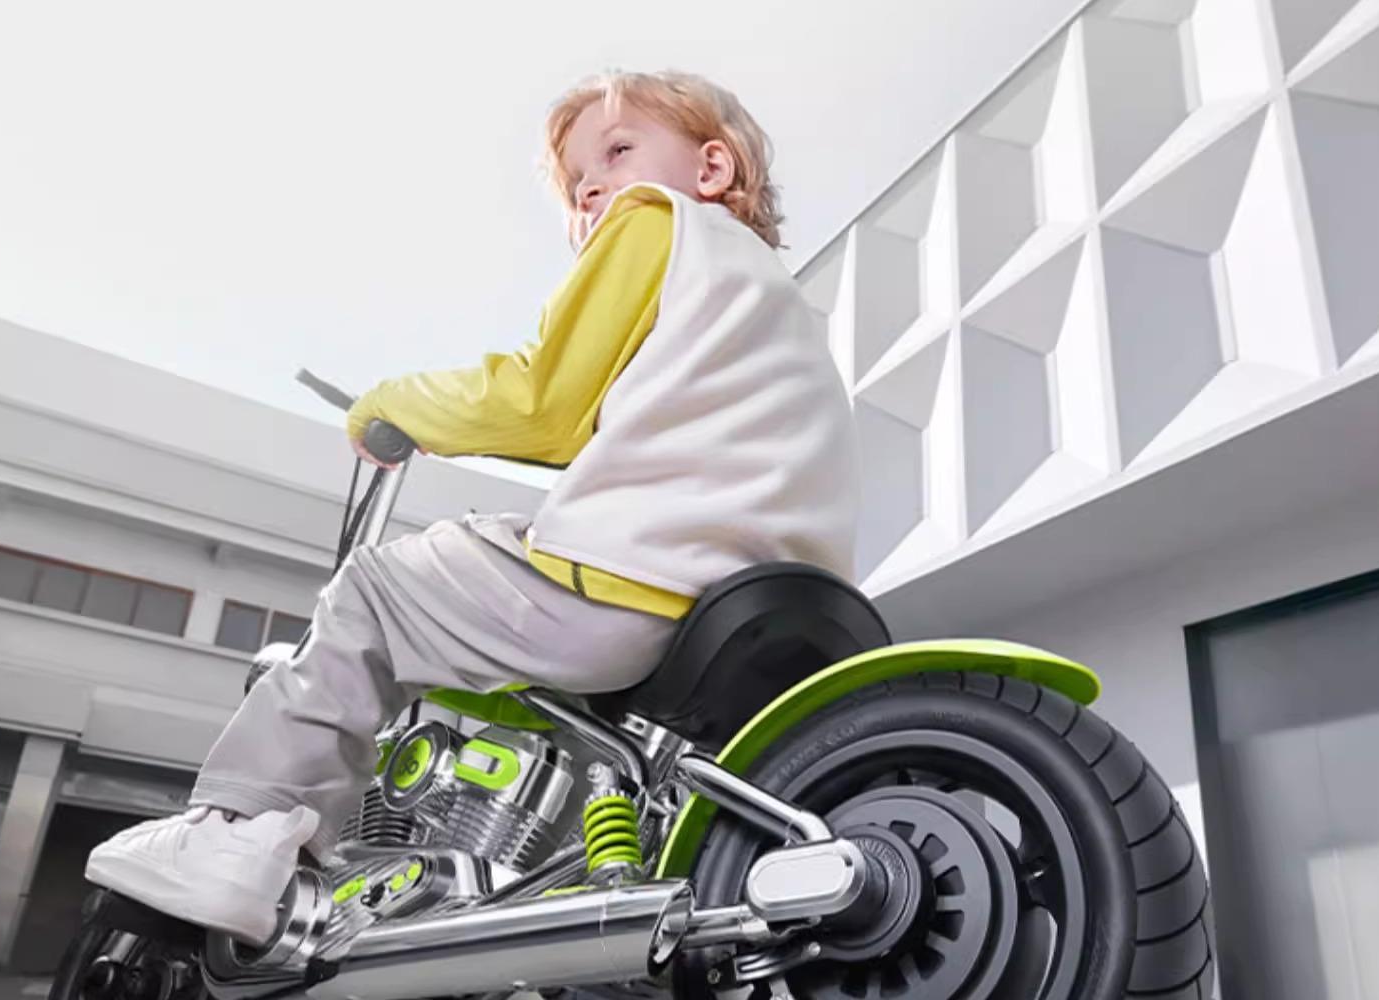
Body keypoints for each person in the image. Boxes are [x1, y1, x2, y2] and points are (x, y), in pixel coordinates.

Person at [85, 69, 858, 944]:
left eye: (616, 151)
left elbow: (541, 406)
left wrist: (394, 404)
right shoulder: (773, 302)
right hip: (770, 612)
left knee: (377, 593)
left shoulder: (654, 221)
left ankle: (237, 835)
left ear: (710, 169)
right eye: (577, 184)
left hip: (631, 588)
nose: (593, 188)